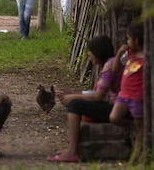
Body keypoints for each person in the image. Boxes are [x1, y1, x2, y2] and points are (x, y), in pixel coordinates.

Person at [47, 35, 123, 163]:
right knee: (76, 102)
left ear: (98, 52)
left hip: (117, 109)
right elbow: (97, 93)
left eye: (90, 52)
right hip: (116, 106)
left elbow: (98, 96)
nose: (89, 55)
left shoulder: (109, 66)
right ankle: (71, 149)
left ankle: (72, 151)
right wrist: (71, 93)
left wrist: (72, 97)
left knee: (75, 105)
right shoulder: (111, 62)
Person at [109, 22, 144, 164]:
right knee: (114, 117)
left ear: (136, 41)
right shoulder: (128, 54)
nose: (127, 42)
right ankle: (133, 126)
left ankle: (135, 160)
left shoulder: (146, 57)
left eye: (128, 39)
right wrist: (118, 54)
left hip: (137, 97)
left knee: (141, 133)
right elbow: (115, 69)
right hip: (123, 95)